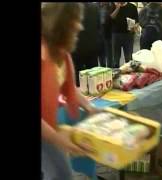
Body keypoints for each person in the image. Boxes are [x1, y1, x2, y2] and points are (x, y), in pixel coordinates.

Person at [41, 3, 102, 180]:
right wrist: (59, 139)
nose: (80, 26)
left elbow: (69, 89)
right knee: (59, 173)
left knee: (61, 173)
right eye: (74, 21)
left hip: (49, 126)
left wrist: (89, 107)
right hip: (45, 129)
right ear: (58, 24)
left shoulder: (61, 54)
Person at [72, 3, 100, 86]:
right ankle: (95, 96)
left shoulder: (72, 7)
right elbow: (99, 27)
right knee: (93, 76)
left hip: (77, 47)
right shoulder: (95, 8)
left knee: (78, 78)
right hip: (92, 46)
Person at [110, 2, 139, 68]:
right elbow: (111, 18)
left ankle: (128, 76)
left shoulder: (132, 7)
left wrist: (135, 26)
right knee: (115, 59)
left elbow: (137, 20)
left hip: (128, 35)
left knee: (128, 58)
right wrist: (117, 8)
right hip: (116, 35)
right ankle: (116, 73)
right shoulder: (113, 5)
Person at [102, 2, 116, 68]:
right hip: (100, 34)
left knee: (109, 55)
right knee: (101, 55)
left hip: (110, 33)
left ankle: (110, 70)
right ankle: (102, 70)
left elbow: (112, 18)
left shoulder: (113, 5)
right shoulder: (97, 6)